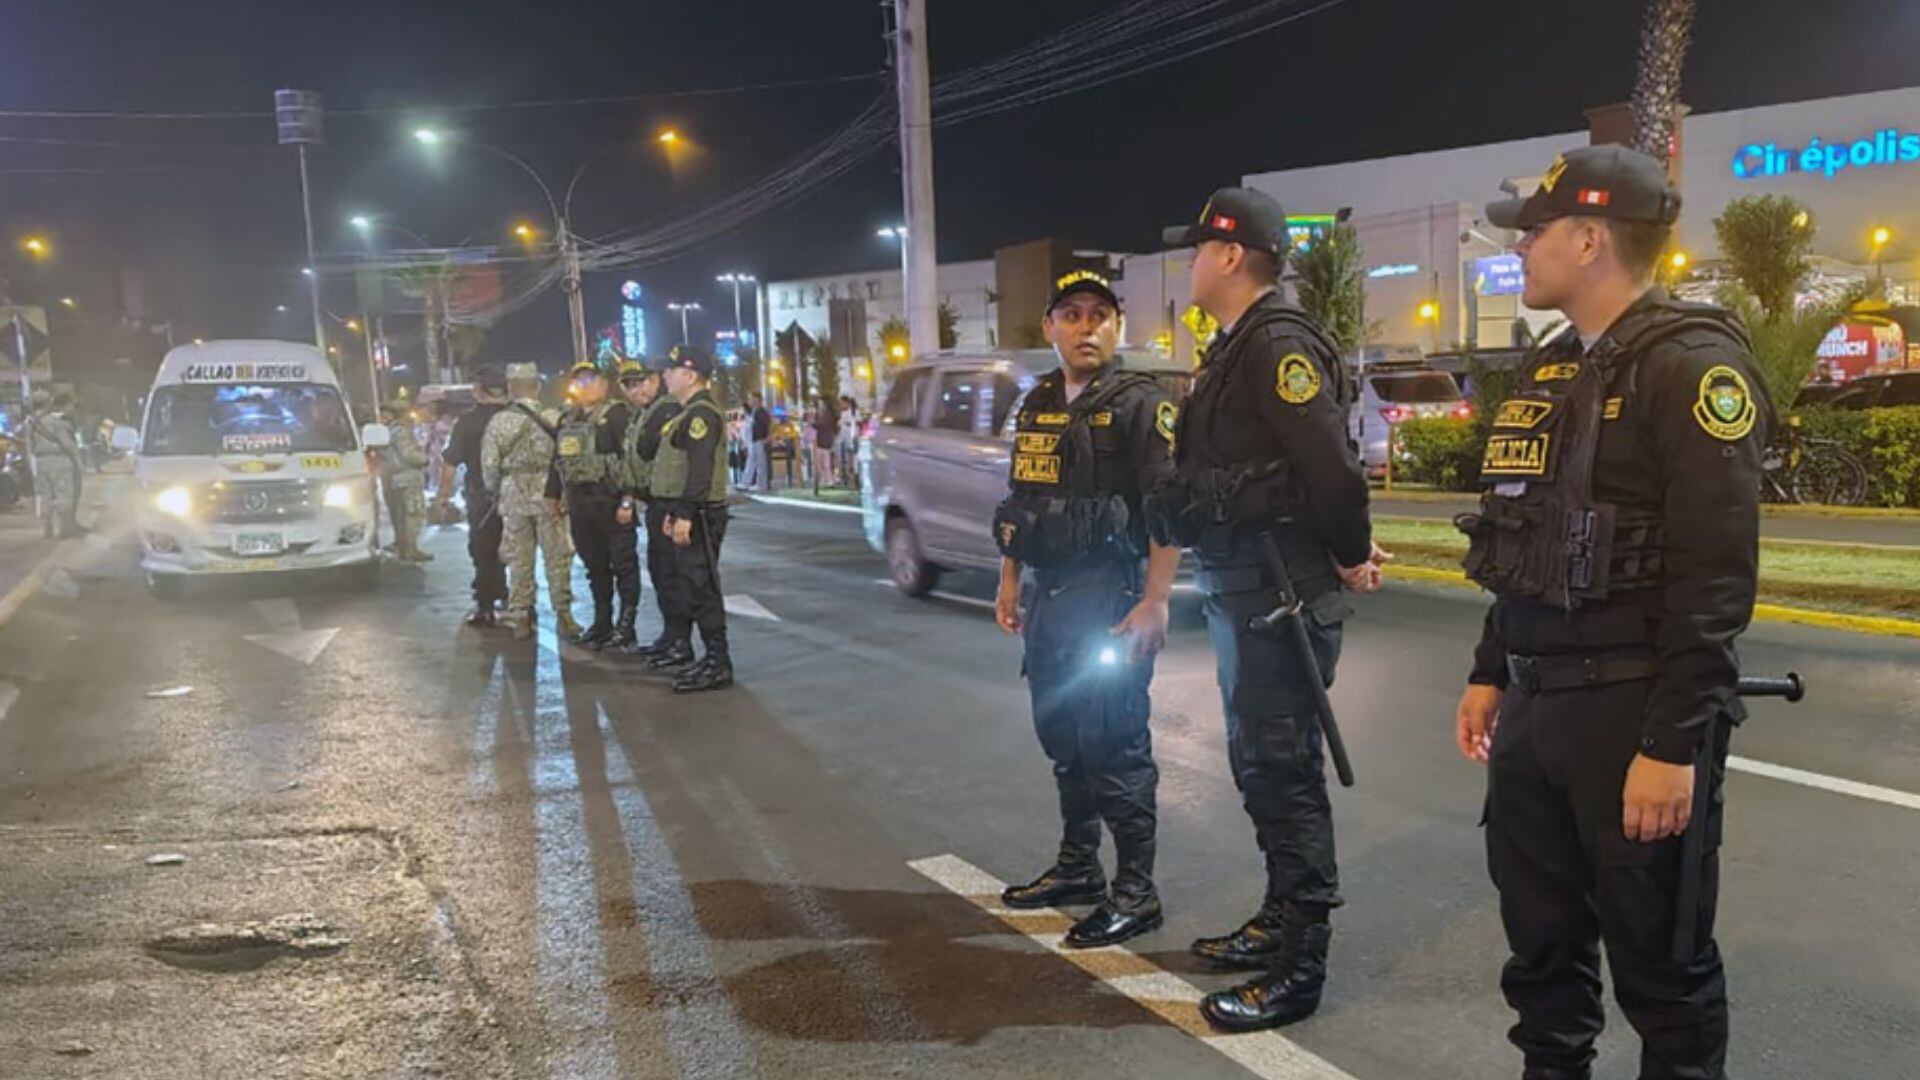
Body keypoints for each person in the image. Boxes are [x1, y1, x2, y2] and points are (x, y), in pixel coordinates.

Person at [1454, 145, 1772, 1080]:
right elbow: (1520, 534)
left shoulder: (1693, 367)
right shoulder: (1553, 370)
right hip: (1537, 703)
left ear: (1590, 239)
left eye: (1536, 232)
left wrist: (1673, 745)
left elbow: (1716, 581)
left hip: (1632, 710)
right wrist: (1487, 667)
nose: (1522, 249)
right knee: (1542, 956)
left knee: (1661, 972)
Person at [1150, 187, 1385, 1033]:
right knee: (1258, 765)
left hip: (1282, 593)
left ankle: (1300, 966)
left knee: (1284, 774)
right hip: (1247, 587)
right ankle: (1281, 918)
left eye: (1197, 251)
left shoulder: (1276, 345)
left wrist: (1350, 554)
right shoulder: (1237, 347)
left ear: (1230, 255)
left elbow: (1332, 471)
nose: (1189, 265)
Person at [992, 270, 1182, 948]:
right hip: (1046, 594)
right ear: (1050, 327)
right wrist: (1009, 580)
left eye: (1099, 315)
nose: (1085, 326)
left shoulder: (1141, 404)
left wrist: (1156, 599)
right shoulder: (1039, 401)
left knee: (1115, 744)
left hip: (1110, 595)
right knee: (1063, 739)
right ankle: (1079, 868)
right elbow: (1022, 499)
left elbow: (1167, 512)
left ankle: (1137, 891)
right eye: (1070, 315)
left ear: (1117, 327)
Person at [649, 347, 733, 692]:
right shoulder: (687, 413)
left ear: (690, 375)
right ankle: (708, 658)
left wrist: (684, 514)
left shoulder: (702, 415)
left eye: (670, 371)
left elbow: (700, 470)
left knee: (702, 588)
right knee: (691, 587)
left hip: (700, 514)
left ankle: (718, 662)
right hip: (689, 511)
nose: (665, 377)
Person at [482, 364, 579, 641]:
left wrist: (495, 490)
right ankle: (564, 615)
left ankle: (522, 616)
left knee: (519, 558)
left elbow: (489, 466)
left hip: (514, 495)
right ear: (537, 386)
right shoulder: (554, 417)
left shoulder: (499, 422)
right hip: (550, 495)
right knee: (557, 556)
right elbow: (566, 458)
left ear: (510, 388)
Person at [553, 360, 638, 649]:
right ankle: (602, 622)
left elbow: (630, 460)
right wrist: (553, 497)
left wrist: (628, 500)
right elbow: (558, 463)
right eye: (580, 381)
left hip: (610, 500)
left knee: (624, 565)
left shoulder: (616, 415)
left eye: (591, 379)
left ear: (604, 383)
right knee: (595, 566)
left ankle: (626, 625)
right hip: (580, 502)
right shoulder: (567, 420)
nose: (585, 386)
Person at [615, 357, 688, 661]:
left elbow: (665, 458)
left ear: (656, 380)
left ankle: (681, 642)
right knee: (660, 573)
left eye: (642, 382)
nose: (637, 390)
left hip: (670, 502)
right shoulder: (642, 416)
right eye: (630, 385)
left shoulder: (667, 411)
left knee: (674, 575)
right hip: (654, 503)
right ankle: (671, 636)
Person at [441, 366, 510, 626]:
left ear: (479, 392)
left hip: (481, 496)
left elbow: (450, 462)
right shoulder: (516, 417)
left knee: (483, 548)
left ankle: (485, 604)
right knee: (518, 548)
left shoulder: (467, 422)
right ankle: (517, 599)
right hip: (516, 495)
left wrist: (443, 496)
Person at [379, 399, 433, 562]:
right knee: (412, 513)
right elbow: (409, 454)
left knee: (401, 515)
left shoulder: (388, 431)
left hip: (396, 478)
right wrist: (424, 459)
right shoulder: (401, 431)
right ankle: (410, 549)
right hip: (408, 477)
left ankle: (403, 547)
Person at [24, 393, 83, 539]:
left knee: (46, 495)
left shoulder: (29, 423)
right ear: (47, 403)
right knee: (63, 493)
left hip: (41, 462)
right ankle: (63, 530)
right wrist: (77, 459)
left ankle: (47, 529)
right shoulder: (55, 422)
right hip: (60, 460)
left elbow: (29, 445)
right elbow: (67, 444)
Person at [743, 392, 772, 492]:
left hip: (759, 440)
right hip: (754, 439)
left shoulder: (762, 412)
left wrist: (766, 438)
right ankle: (746, 482)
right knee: (752, 461)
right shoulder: (754, 412)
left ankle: (761, 484)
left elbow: (765, 426)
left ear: (757, 400)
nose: (749, 401)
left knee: (760, 463)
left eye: (751, 399)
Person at [811, 396, 839, 486]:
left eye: (821, 403)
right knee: (821, 461)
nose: (820, 405)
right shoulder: (821, 413)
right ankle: (825, 478)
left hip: (826, 440)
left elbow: (823, 424)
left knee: (826, 461)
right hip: (821, 439)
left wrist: (813, 424)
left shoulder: (828, 414)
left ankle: (830, 479)